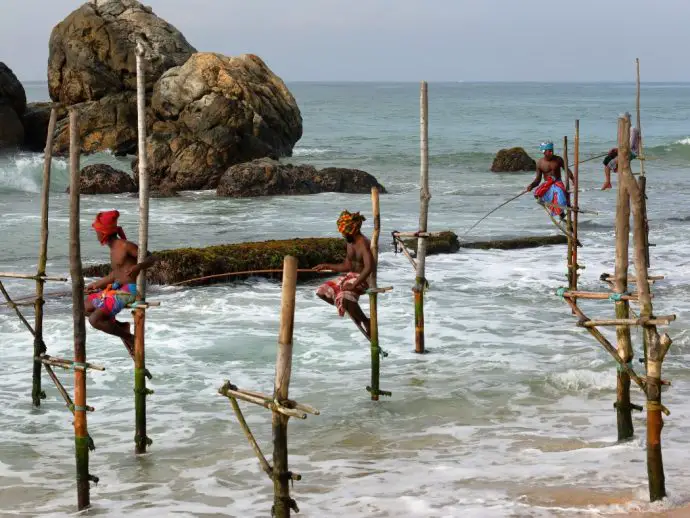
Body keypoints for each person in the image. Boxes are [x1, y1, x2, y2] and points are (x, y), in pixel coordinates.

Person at [85, 210, 157, 357]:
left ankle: (129, 337)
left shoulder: (125, 246)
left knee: (95, 319)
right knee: (82, 306)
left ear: (104, 233)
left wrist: (138, 266)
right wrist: (97, 284)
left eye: (97, 231)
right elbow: (115, 274)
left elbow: (152, 258)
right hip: (115, 289)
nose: (96, 234)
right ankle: (121, 327)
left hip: (128, 291)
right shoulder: (113, 249)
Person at [313, 210, 375, 339]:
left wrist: (354, 285)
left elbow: (369, 267)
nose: (343, 235)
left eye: (345, 233)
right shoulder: (349, 242)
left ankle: (365, 320)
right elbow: (346, 266)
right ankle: (352, 311)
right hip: (349, 276)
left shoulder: (363, 243)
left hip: (363, 278)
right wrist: (327, 265)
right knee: (321, 291)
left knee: (344, 296)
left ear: (353, 230)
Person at [525, 141, 575, 220]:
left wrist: (573, 178)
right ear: (544, 152)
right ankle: (559, 213)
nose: (552, 152)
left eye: (552, 150)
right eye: (549, 151)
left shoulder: (558, 159)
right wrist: (531, 185)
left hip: (558, 182)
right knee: (537, 194)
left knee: (559, 194)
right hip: (547, 184)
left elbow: (566, 170)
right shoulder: (540, 163)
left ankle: (562, 213)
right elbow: (538, 180)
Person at [602, 125, 641, 190]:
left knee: (608, 166)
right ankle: (611, 178)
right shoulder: (626, 132)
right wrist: (614, 150)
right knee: (607, 159)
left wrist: (616, 149)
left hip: (631, 153)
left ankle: (608, 182)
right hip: (626, 151)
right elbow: (624, 146)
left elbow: (629, 147)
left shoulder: (632, 130)